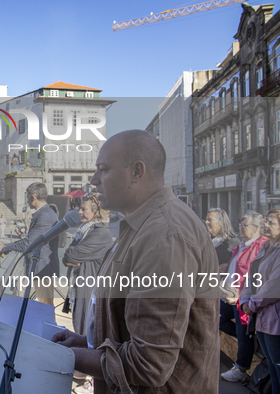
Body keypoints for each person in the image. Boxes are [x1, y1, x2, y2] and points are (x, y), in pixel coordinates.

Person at [51, 130, 219, 393]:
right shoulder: (139, 226)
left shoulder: (165, 235)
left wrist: (69, 356)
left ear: (137, 172)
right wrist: (85, 343)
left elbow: (149, 363)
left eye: (103, 169)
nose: (94, 180)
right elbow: (131, 328)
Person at [219, 212, 268, 382]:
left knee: (243, 331)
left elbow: (253, 275)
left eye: (244, 225)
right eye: (240, 224)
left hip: (241, 297)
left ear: (256, 228)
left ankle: (241, 368)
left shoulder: (260, 246)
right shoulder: (241, 245)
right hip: (229, 294)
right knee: (218, 319)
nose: (241, 227)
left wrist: (242, 297)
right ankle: (249, 343)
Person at [0, 183, 59, 306]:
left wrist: (6, 247)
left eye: (27, 196)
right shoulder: (44, 213)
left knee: (45, 307)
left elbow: (28, 243)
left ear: (33, 197)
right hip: (38, 267)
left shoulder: (45, 215)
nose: (27, 200)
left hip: (42, 269)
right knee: (26, 301)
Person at [240, 209, 280, 393]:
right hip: (262, 318)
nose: (266, 225)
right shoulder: (265, 248)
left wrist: (252, 304)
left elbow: (273, 286)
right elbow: (251, 276)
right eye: (266, 221)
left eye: (271, 223)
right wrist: (245, 299)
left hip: (274, 320)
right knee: (272, 366)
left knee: (278, 367)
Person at [62, 193, 112, 336]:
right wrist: (70, 255)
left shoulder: (102, 233)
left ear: (95, 212)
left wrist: (70, 254)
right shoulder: (84, 230)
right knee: (79, 328)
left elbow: (71, 254)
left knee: (85, 332)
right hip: (79, 289)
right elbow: (67, 257)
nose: (79, 212)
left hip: (89, 292)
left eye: (84, 209)